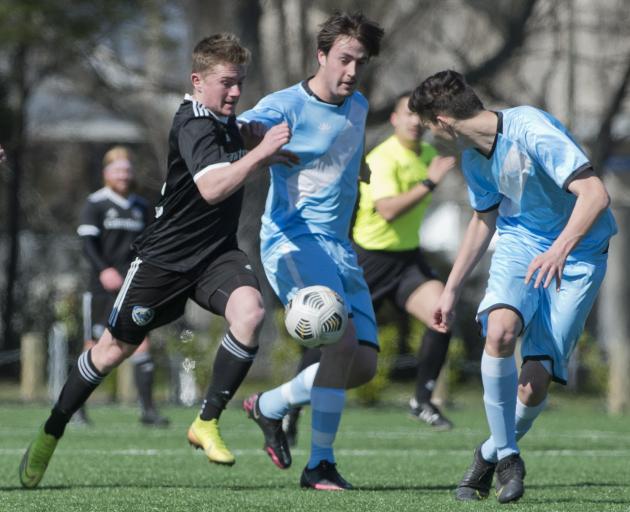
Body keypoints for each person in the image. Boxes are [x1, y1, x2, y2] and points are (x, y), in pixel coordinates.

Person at [19, 33, 296, 489]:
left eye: (239, 82)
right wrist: (261, 153)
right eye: (226, 83)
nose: (235, 92)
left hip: (217, 255)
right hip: (164, 261)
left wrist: (269, 148)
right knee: (112, 351)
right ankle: (53, 428)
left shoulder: (226, 121)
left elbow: (242, 148)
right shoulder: (193, 122)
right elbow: (211, 188)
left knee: (250, 313)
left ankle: (206, 421)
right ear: (197, 81)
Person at [408, 70, 617, 503]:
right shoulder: (472, 158)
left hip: (578, 253)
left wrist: (560, 249)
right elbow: (485, 218)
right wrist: (448, 289)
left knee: (532, 386)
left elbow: (595, 194)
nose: (429, 137)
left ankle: (488, 453)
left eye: (429, 127)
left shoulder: (530, 128)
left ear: (444, 121)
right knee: (499, 331)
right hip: (522, 244)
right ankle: (508, 457)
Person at [238, 11, 385, 491]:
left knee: (360, 366)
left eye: (359, 62)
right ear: (320, 55)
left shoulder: (358, 105)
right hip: (293, 242)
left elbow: (343, 147)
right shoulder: (284, 106)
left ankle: (270, 405)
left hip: (341, 248)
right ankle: (319, 464)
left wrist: (356, 171)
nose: (351, 71)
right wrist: (255, 145)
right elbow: (239, 130)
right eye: (343, 59)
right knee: (338, 343)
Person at [283, 92, 456, 442]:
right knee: (330, 337)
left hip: (407, 259)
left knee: (442, 315)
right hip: (369, 259)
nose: (413, 121)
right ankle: (290, 406)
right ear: (393, 119)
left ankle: (421, 400)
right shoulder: (383, 157)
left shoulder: (427, 154)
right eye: (406, 114)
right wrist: (429, 182)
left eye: (418, 115)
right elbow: (389, 209)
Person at [77, 146, 169, 427]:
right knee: (93, 346)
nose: (123, 175)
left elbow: (151, 245)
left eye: (127, 170)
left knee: (142, 343)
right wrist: (104, 270)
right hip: (101, 289)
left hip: (134, 287)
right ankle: (76, 407)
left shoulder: (141, 206)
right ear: (107, 174)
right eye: (117, 170)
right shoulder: (96, 204)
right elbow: (87, 243)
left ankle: (148, 411)